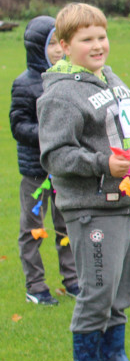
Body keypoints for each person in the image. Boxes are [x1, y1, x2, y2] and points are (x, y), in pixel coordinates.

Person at [37, 3, 130, 361]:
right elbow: (56, 156)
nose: (97, 45)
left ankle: (114, 358)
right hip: (91, 208)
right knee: (98, 288)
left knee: (122, 286)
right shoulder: (60, 94)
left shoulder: (108, 77)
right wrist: (103, 163)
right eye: (86, 39)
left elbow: (126, 128)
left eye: (101, 36)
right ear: (63, 45)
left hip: (126, 202)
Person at [9, 15, 79, 305]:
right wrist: (47, 133)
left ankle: (73, 280)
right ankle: (35, 285)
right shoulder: (24, 84)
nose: (56, 51)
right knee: (32, 229)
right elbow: (18, 125)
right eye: (50, 44)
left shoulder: (69, 78)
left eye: (59, 43)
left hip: (63, 169)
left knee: (67, 226)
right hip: (35, 172)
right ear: (36, 46)